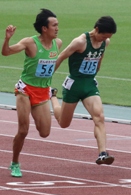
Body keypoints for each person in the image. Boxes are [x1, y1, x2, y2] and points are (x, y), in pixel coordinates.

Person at [1, 8, 62, 177]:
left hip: (42, 91)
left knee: (44, 132)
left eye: (57, 25)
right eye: (54, 25)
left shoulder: (58, 44)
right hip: (25, 90)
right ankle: (14, 163)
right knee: (23, 130)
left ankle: (52, 95)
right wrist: (7, 40)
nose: (57, 28)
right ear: (44, 28)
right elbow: (6, 52)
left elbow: (52, 64)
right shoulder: (30, 43)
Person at [50, 16, 117, 165]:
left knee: (99, 116)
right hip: (74, 85)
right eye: (103, 36)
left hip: (89, 85)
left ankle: (102, 153)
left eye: (107, 38)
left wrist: (96, 70)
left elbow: (100, 57)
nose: (104, 40)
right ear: (97, 29)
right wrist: (47, 78)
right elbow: (61, 57)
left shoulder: (105, 42)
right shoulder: (80, 42)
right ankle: (52, 96)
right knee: (63, 123)